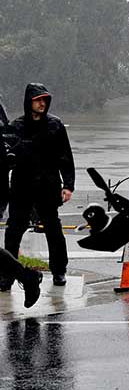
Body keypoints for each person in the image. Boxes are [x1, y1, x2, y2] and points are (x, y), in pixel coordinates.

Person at [4, 84, 74, 288]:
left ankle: (59, 271)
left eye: (45, 99)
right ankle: (8, 274)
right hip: (21, 186)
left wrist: (68, 185)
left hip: (48, 185)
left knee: (54, 230)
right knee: (13, 231)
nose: (42, 103)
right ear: (29, 102)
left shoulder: (55, 125)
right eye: (38, 100)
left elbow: (65, 157)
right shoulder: (15, 127)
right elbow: (6, 159)